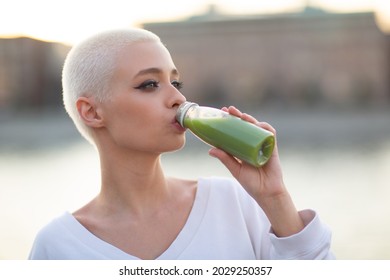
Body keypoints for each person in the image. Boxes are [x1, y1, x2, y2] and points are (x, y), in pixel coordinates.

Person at [29, 28, 334, 260]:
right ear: (92, 112)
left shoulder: (234, 203)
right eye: (149, 84)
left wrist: (275, 198)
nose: (179, 98)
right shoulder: (57, 245)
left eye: (176, 83)